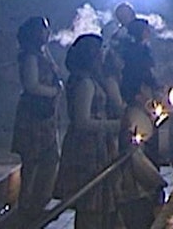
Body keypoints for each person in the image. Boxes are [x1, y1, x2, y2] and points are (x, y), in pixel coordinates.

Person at [54, 34, 121, 228]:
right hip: (86, 149)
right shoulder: (85, 83)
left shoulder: (90, 79)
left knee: (97, 204)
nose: (103, 56)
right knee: (90, 202)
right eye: (99, 51)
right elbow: (82, 122)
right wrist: (114, 125)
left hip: (96, 145)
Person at [10, 16, 63, 224]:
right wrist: (52, 92)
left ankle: (39, 202)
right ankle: (28, 207)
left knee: (49, 158)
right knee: (32, 161)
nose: (47, 34)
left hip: (45, 116)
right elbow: (31, 85)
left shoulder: (43, 54)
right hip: (34, 115)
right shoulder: (30, 57)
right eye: (44, 30)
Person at [116, 77, 167, 229]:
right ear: (138, 94)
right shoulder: (135, 116)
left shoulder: (140, 113)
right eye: (145, 87)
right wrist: (155, 181)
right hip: (138, 189)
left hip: (142, 187)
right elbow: (134, 155)